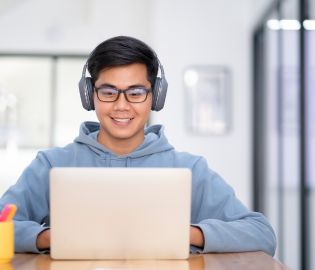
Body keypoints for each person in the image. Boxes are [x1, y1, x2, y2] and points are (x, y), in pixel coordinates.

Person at [0, 36, 276, 255]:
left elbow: (261, 233)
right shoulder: (52, 164)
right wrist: (49, 237)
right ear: (89, 95)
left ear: (155, 96)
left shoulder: (189, 168)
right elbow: (2, 224)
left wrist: (188, 234)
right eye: (108, 92)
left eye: (135, 92)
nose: (121, 106)